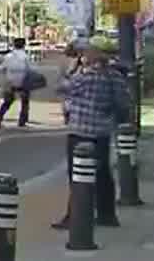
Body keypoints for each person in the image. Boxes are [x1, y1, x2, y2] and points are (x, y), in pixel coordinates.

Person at [56, 41, 130, 230]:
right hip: (102, 131)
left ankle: (76, 216)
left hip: (79, 131)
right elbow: (123, 102)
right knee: (103, 173)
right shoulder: (114, 77)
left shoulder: (84, 78)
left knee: (78, 175)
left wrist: (73, 69)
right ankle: (107, 214)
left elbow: (63, 87)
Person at [0, 37, 34, 129]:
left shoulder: (8, 56)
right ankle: (22, 121)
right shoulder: (25, 56)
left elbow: (1, 69)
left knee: (7, 102)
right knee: (25, 102)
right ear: (24, 45)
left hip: (10, 82)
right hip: (23, 82)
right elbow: (30, 70)